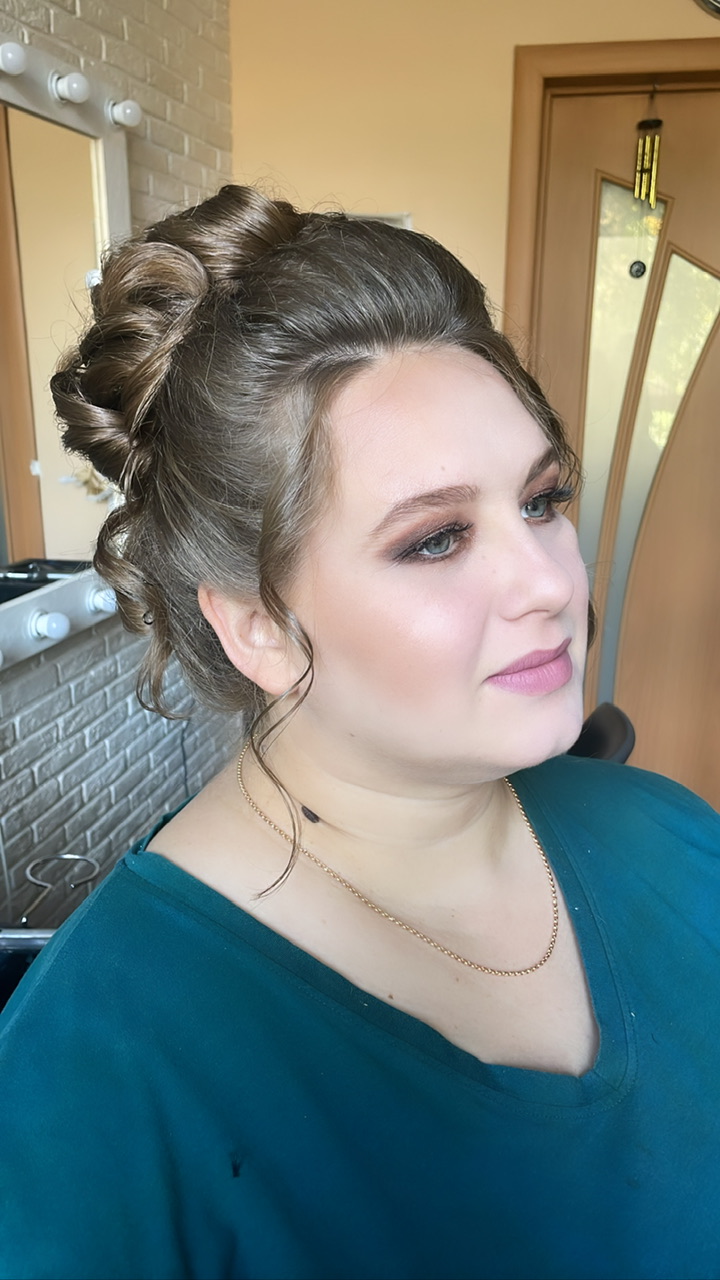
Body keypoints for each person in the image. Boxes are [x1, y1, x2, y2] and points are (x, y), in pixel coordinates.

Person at [0, 185, 719, 1280]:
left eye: (541, 500)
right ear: (257, 625)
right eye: (436, 540)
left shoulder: (672, 833)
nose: (550, 581)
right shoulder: (95, 1084)